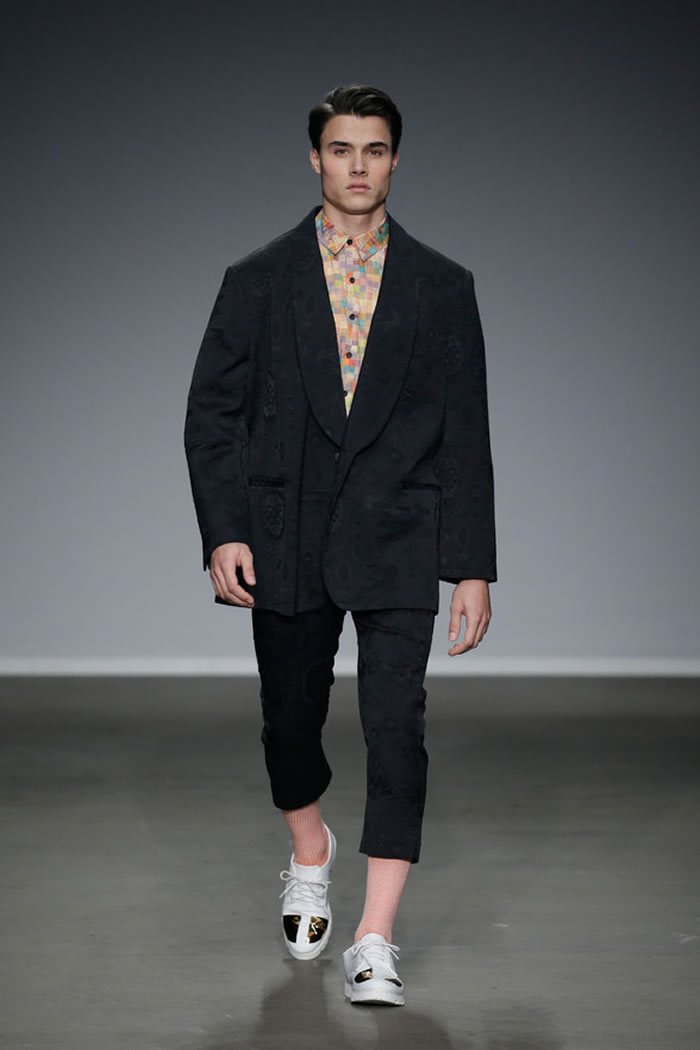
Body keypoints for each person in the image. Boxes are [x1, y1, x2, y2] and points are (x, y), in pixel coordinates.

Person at [184, 84, 496, 1007]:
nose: (358, 166)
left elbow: (466, 433)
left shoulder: (444, 287)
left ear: (396, 159)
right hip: (284, 535)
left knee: (398, 727)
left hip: (400, 534)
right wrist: (224, 530)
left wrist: (471, 565)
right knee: (289, 720)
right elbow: (212, 415)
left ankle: (374, 935)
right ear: (315, 158)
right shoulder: (257, 279)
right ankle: (309, 849)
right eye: (341, 149)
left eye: (375, 149)